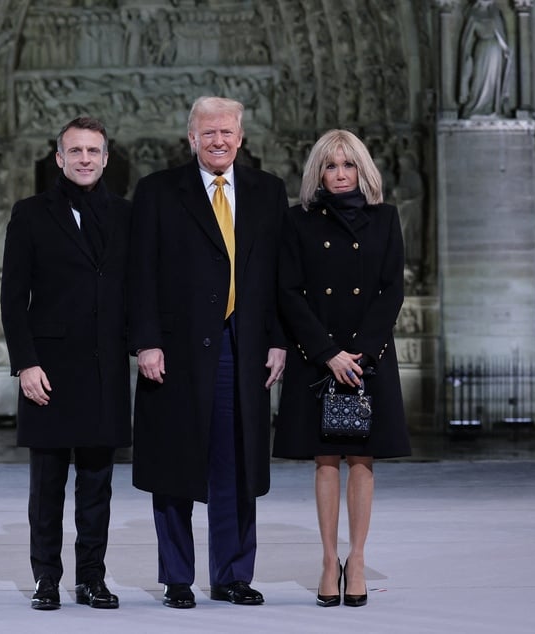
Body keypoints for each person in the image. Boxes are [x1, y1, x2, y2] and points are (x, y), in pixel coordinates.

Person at [128, 96, 288, 609]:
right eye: (208, 133)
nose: (218, 141)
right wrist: (146, 341)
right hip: (174, 352)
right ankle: (177, 577)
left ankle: (233, 575)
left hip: (243, 348)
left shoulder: (269, 192)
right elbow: (140, 276)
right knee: (175, 462)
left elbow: (281, 277)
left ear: (241, 137)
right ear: (190, 138)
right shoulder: (156, 192)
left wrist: (279, 340)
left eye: (227, 132)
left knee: (237, 466)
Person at [273, 129, 411, 608]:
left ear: (362, 170)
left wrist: (362, 352)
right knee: (325, 459)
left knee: (362, 460)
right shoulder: (297, 222)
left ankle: (358, 558)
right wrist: (328, 353)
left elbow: (391, 289)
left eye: (347, 165)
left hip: (367, 357)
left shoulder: (385, 219)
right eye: (330, 166)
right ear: (318, 172)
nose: (339, 174)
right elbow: (287, 291)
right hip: (318, 355)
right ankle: (329, 559)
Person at [0, 116, 131, 611]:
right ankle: (46, 579)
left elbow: (136, 289)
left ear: (105, 158)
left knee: (97, 486)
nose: (83, 159)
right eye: (74, 151)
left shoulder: (125, 215)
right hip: (48, 370)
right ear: (58, 158)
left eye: (92, 151)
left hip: (104, 368)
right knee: (48, 485)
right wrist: (25, 364)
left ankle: (91, 579)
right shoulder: (31, 213)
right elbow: (13, 298)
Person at [457, 0, 511, 118]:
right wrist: (466, 61)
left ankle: (494, 108)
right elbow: (466, 43)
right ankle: (476, 107)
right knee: (478, 81)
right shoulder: (473, 14)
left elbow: (503, 36)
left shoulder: (496, 13)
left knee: (493, 82)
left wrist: (506, 50)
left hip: (496, 53)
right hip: (482, 51)